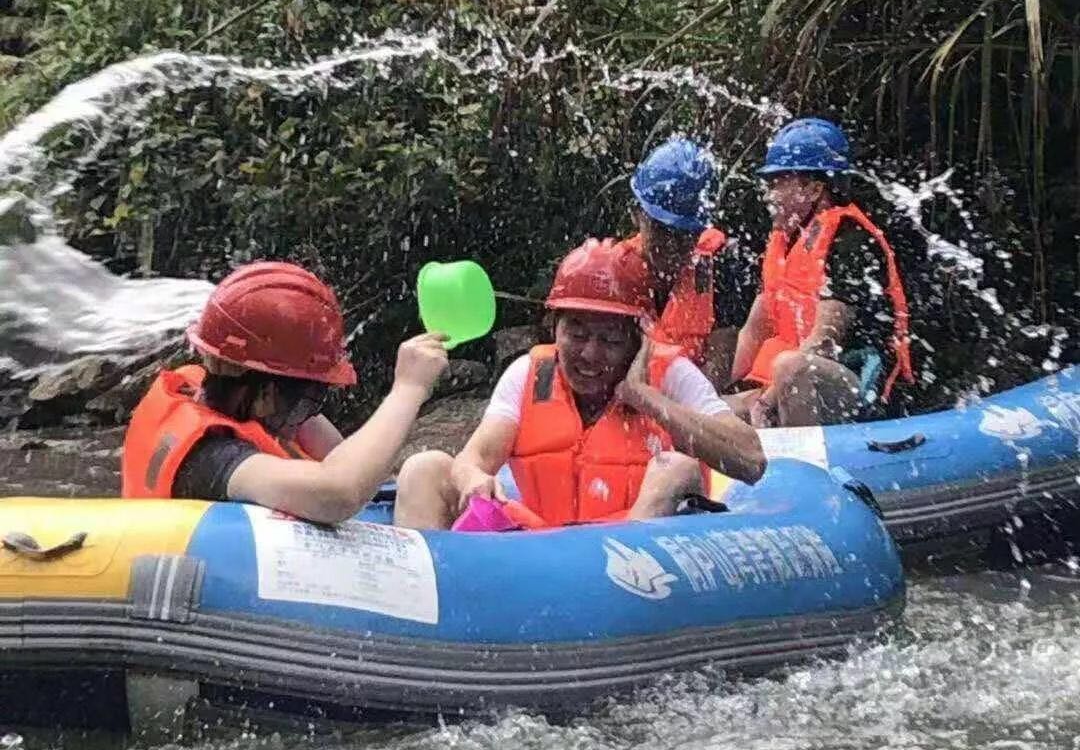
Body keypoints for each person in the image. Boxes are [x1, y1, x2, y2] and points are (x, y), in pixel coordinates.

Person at [393, 239, 765, 531]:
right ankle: (423, 612)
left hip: (636, 560)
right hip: (547, 548)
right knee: (424, 467)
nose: (589, 354)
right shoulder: (529, 374)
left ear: (637, 340)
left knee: (676, 468)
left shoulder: (671, 375)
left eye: (610, 340)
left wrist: (644, 397)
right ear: (555, 326)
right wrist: (473, 477)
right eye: (576, 333)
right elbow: (473, 458)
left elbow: (751, 461)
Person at [122, 261, 448, 523]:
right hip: (209, 580)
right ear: (268, 395)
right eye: (309, 400)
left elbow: (354, 465)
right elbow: (337, 493)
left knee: (429, 467)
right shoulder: (210, 458)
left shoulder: (222, 392)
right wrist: (408, 389)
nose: (309, 415)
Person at [728, 119, 914, 427]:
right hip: (793, 388)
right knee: (710, 411)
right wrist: (708, 393)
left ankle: (801, 468)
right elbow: (753, 331)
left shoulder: (850, 241)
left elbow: (823, 343)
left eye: (778, 184)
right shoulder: (783, 242)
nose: (769, 195)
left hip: (860, 389)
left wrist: (765, 402)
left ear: (814, 189)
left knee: (791, 367)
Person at [617, 137, 751, 390]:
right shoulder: (613, 272)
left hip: (693, 403)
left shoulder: (722, 265)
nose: (671, 244)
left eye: (684, 234)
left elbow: (718, 368)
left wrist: (675, 413)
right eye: (661, 229)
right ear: (636, 215)